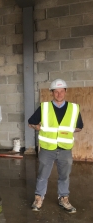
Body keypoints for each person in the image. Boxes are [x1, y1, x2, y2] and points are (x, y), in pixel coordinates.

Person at [28, 79, 83, 213]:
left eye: (61, 91)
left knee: (64, 176)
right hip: (47, 148)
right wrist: (38, 127)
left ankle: (63, 198)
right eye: (56, 91)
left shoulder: (74, 108)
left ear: (65, 91)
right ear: (52, 93)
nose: (59, 94)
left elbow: (79, 127)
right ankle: (38, 198)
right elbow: (31, 122)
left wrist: (66, 130)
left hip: (65, 148)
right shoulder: (44, 107)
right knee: (42, 175)